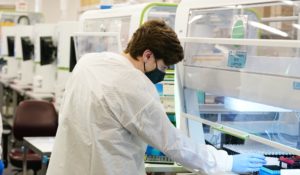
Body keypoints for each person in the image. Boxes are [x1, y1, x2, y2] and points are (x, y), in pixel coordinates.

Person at [46, 20, 266, 175]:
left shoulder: (89, 62)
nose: (162, 74)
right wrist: (226, 162)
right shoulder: (133, 84)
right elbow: (172, 143)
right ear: (147, 55)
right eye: (163, 66)